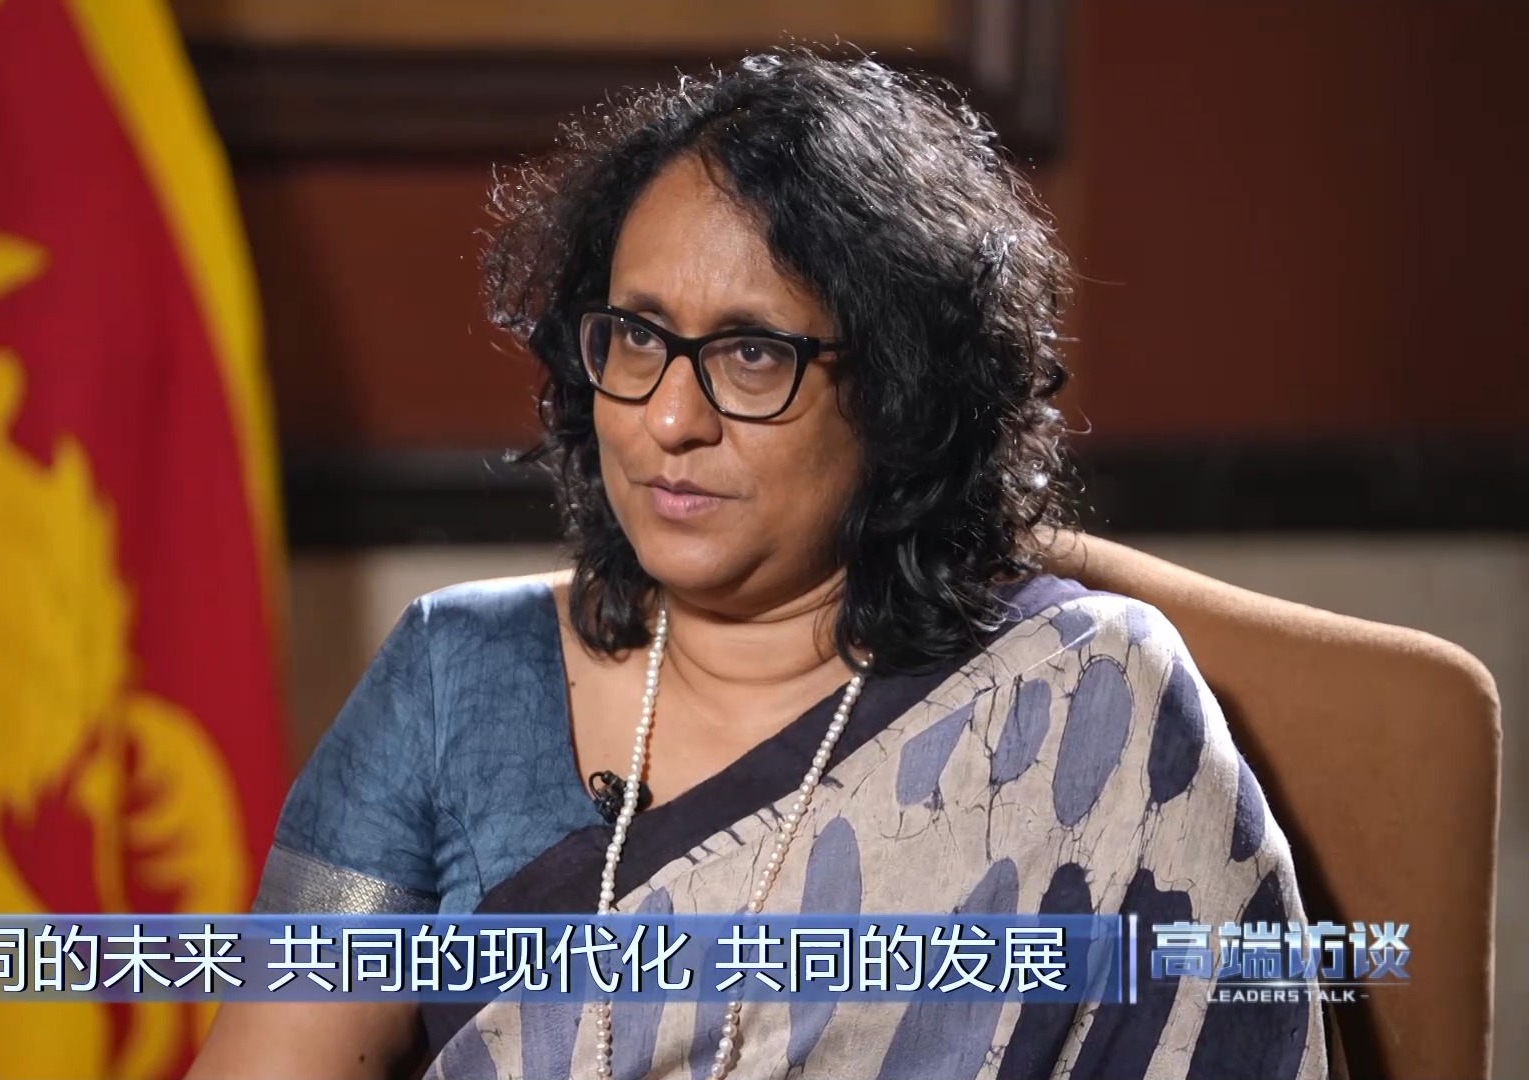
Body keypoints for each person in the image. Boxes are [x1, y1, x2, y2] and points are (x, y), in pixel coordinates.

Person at [190, 47, 1326, 1080]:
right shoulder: (457, 678)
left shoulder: (1086, 710)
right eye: (637, 337)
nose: (669, 418)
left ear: (896, 393)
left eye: (749, 355)